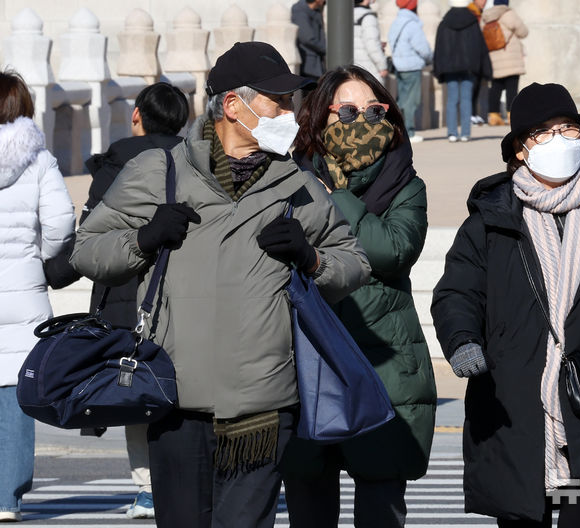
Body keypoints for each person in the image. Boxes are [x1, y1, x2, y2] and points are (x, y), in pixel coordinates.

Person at [70, 42, 371, 528]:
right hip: (177, 397)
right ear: (234, 105)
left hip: (264, 405)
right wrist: (143, 239)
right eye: (279, 103)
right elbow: (86, 251)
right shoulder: (159, 172)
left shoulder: (298, 183)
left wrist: (311, 256)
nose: (291, 114)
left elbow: (353, 263)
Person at [431, 82, 580, 527]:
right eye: (542, 133)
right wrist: (462, 342)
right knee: (520, 516)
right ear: (519, 149)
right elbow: (457, 293)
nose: (559, 140)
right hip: (511, 400)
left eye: (568, 129)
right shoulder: (488, 220)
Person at [281, 65, 437, 528]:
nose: (362, 119)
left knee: (381, 510)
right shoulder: (290, 178)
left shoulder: (405, 182)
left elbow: (390, 251)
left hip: (384, 363)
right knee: (309, 504)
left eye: (374, 109)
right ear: (319, 116)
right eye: (347, 110)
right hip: (308, 361)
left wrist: (338, 198)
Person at [80, 82, 190, 520]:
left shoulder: (119, 160)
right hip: (182, 282)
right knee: (180, 384)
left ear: (137, 116)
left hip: (125, 287)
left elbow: (92, 229)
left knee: (135, 385)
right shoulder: (195, 159)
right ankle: (183, 478)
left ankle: (146, 488)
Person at [0, 70, 75, 522]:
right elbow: (62, 224)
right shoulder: (38, 160)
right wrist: (40, 258)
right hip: (22, 290)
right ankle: (6, 497)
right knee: (13, 395)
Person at [434, 0, 492, 142]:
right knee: (466, 99)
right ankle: (465, 133)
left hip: (449, 68)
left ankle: (452, 133)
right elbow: (479, 47)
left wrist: (439, 69)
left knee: (452, 99)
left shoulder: (444, 23)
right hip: (469, 67)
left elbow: (439, 48)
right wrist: (485, 68)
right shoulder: (472, 22)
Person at [388, 0, 433, 144]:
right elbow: (423, 48)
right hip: (412, 66)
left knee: (402, 100)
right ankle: (409, 132)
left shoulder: (396, 22)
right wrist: (430, 59)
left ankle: (398, 130)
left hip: (399, 66)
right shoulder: (412, 25)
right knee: (411, 101)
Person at [482, 0, 528, 126]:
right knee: (512, 89)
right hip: (510, 57)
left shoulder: (486, 16)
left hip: (493, 58)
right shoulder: (509, 14)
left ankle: (493, 115)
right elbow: (523, 32)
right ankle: (511, 115)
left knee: (495, 87)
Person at [291, 0, 327, 83]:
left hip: (316, 63)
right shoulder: (300, 11)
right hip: (308, 65)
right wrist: (326, 49)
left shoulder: (316, 10)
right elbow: (307, 39)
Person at [353, 0, 388, 82]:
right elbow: (372, 46)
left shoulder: (348, 15)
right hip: (369, 67)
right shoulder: (368, 17)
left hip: (354, 65)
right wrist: (382, 67)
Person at [468, 0, 488, 126]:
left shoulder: (480, 14)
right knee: (470, 88)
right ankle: (469, 115)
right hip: (471, 57)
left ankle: (474, 114)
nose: (484, 2)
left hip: (479, 56)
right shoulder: (470, 13)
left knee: (476, 88)